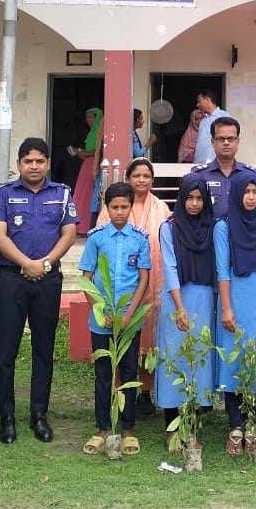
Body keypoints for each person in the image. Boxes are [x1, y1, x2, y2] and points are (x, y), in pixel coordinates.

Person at [0, 138, 78, 444]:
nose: (34, 166)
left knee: (43, 349)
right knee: (6, 351)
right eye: (28, 161)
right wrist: (27, 263)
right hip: (11, 279)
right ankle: (6, 417)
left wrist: (46, 263)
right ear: (19, 165)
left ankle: (39, 414)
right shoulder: (3, 194)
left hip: (47, 280)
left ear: (48, 163)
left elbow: (69, 232)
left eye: (40, 161)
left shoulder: (62, 193)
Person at [79, 182, 152, 457]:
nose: (119, 212)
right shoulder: (97, 238)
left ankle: (129, 428)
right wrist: (101, 309)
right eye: (114, 207)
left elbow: (143, 278)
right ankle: (101, 428)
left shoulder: (140, 238)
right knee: (103, 372)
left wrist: (130, 312)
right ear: (106, 208)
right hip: (102, 320)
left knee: (130, 372)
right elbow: (86, 278)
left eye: (124, 207)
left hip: (129, 319)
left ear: (131, 207)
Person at [97, 158, 170, 417]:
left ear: (152, 179)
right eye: (136, 175)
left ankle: (145, 393)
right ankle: (118, 391)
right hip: (120, 284)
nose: (141, 180)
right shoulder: (112, 207)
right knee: (121, 339)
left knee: (149, 339)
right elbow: (100, 244)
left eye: (146, 176)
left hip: (153, 285)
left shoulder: (161, 208)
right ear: (128, 178)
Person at [214, 172, 256, 456]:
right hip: (234, 299)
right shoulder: (224, 226)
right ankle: (235, 427)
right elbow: (221, 269)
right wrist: (227, 308)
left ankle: (252, 425)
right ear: (237, 194)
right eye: (246, 191)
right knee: (234, 360)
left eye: (255, 192)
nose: (251, 197)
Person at [155, 174, 218, 443]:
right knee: (174, 357)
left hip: (204, 298)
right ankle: (172, 425)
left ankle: (192, 423)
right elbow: (169, 267)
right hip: (175, 299)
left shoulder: (213, 227)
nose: (194, 204)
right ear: (181, 198)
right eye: (189, 198)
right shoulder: (169, 228)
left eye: (199, 199)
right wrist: (179, 308)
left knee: (199, 357)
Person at [190, 116, 256, 219]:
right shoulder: (199, 175)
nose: (226, 143)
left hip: (241, 234)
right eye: (221, 139)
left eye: (230, 139)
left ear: (238, 141)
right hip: (209, 233)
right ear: (212, 141)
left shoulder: (250, 174)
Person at [72, 108, 103, 235]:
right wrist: (80, 153)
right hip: (87, 164)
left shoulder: (99, 132)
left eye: (92, 117)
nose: (89, 120)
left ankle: (86, 226)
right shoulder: (92, 132)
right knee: (82, 193)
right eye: (87, 117)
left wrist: (83, 152)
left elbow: (98, 150)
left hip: (93, 164)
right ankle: (79, 226)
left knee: (89, 194)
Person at [192, 89, 229, 165]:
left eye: (199, 101)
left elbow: (227, 141)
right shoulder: (203, 120)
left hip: (216, 165)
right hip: (199, 164)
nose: (197, 105)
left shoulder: (223, 116)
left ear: (207, 100)